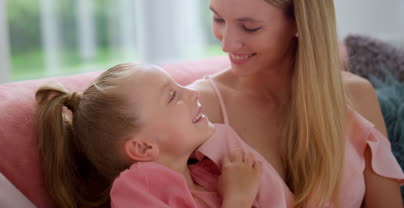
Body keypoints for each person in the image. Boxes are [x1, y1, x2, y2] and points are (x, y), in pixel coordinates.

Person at [188, 0, 404, 207]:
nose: (227, 44)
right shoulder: (198, 108)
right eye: (219, 19)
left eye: (249, 27)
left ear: (300, 21)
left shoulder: (356, 97)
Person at [35, 63, 262, 208]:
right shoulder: (137, 190)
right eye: (173, 96)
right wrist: (238, 199)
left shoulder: (210, 174)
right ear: (142, 148)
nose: (192, 92)